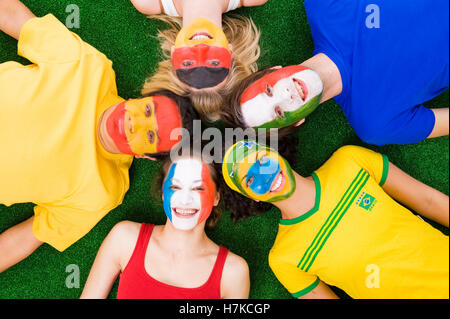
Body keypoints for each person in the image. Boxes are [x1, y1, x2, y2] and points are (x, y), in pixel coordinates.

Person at [0, 0, 198, 273]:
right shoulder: (89, 66)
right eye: (147, 109)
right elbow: (13, 17)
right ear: (142, 97)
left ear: (146, 155)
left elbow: (25, 238)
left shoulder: (104, 192)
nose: (133, 122)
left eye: (150, 135)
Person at [222, 140, 449, 298]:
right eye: (250, 180)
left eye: (262, 159)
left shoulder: (349, 160)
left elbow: (428, 200)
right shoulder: (284, 258)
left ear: (275, 152)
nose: (265, 175)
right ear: (251, 197)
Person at [223, 0, 449, 145]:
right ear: (298, 121)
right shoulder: (374, 124)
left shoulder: (324, 6)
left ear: (272, 71)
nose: (286, 95)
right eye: (280, 112)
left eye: (269, 90)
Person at [81, 152, 250, 299]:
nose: (185, 200)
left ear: (216, 197)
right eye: (175, 186)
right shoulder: (125, 239)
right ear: (163, 193)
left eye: (198, 188)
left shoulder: (233, 272)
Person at [130, 0, 267, 121]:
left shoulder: (148, 2)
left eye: (188, 63)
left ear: (173, 55)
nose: (200, 49)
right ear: (229, 52)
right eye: (214, 63)